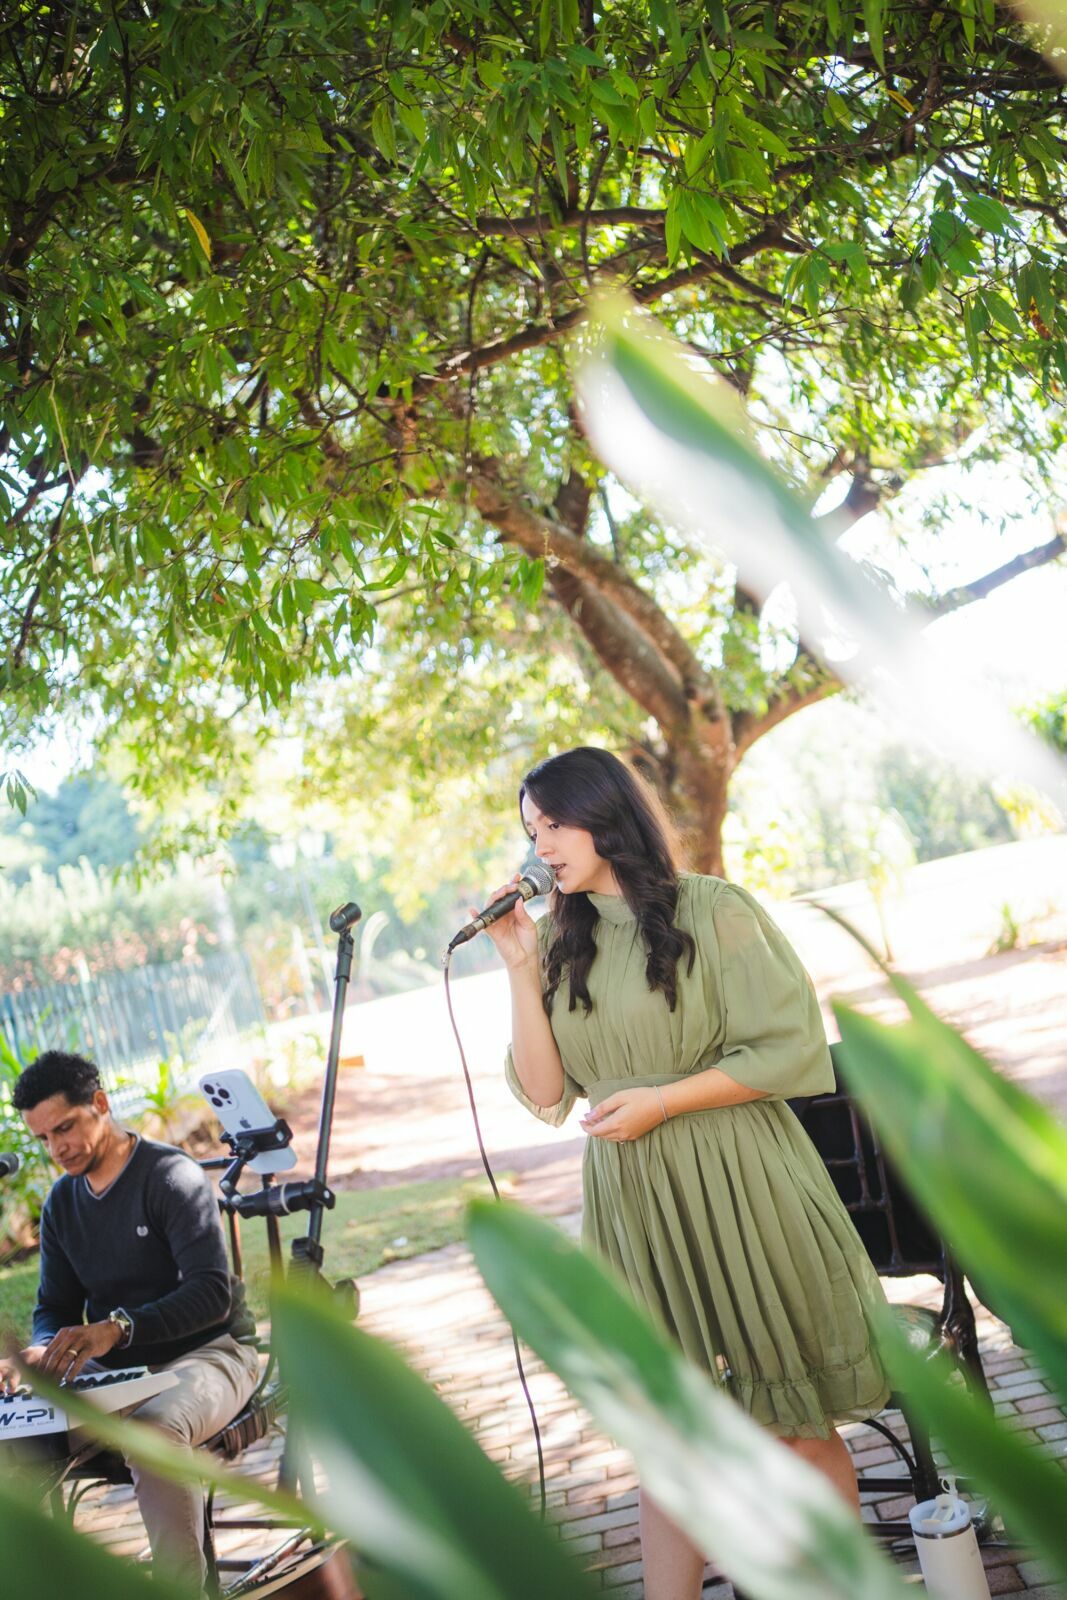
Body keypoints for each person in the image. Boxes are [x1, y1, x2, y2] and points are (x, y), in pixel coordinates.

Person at [482, 747, 891, 1600]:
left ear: (605, 814)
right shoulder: (563, 941)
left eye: (553, 823)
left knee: (792, 1427)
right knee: (667, 1442)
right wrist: (520, 966)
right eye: (530, 831)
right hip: (636, 1208)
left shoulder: (714, 909)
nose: (540, 845)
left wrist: (663, 1103)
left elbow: (787, 1047)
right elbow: (548, 1091)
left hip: (741, 1184)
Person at [0, 1050, 260, 1592]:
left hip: (211, 1354)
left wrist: (116, 1329)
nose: (57, 1149)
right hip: (115, 1377)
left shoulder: (170, 1176)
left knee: (153, 1431)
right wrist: (44, 1349)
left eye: (65, 1128)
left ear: (100, 1104)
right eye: (43, 1139)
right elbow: (55, 1306)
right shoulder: (61, 1205)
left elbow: (212, 1293)